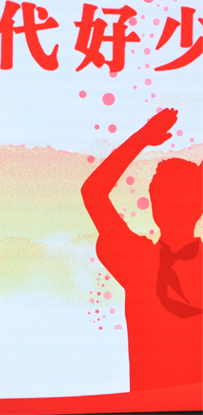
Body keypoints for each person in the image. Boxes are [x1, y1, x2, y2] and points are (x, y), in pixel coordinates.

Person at [81, 108, 202, 391]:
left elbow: (94, 192)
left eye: (176, 196)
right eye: (164, 195)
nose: (170, 205)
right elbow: (92, 193)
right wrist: (141, 138)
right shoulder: (138, 260)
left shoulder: (137, 260)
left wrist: (142, 138)